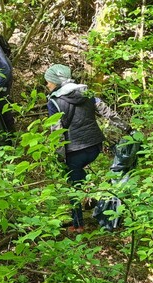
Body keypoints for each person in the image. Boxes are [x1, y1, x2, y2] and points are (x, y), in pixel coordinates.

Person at [44, 64, 131, 233]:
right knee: (83, 177)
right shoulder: (87, 93)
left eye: (48, 82)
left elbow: (57, 131)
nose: (47, 85)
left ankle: (78, 225)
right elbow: (108, 112)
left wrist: (59, 156)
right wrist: (128, 129)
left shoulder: (54, 101)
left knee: (73, 186)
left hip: (74, 151)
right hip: (95, 147)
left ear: (55, 82)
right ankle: (93, 195)